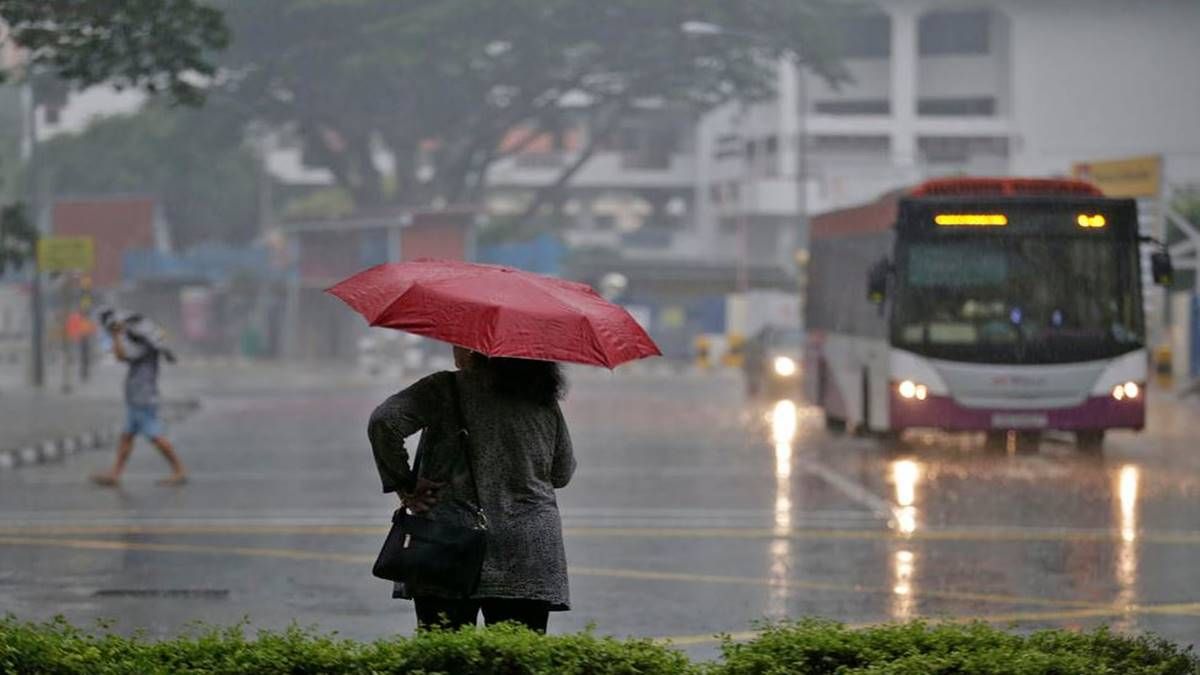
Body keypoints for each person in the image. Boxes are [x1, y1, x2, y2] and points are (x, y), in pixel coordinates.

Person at [368, 346, 576, 633]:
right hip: (527, 550)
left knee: (445, 658)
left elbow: (384, 422)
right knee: (515, 663)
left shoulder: (445, 388)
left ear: (476, 347)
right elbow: (562, 473)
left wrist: (406, 485)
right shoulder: (542, 397)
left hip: (448, 542)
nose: (453, 346)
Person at [91, 310, 187, 487]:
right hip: (136, 397)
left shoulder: (143, 347)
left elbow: (120, 356)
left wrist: (116, 335)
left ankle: (179, 470)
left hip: (143, 398)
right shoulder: (143, 345)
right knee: (126, 437)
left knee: (155, 436)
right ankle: (115, 474)